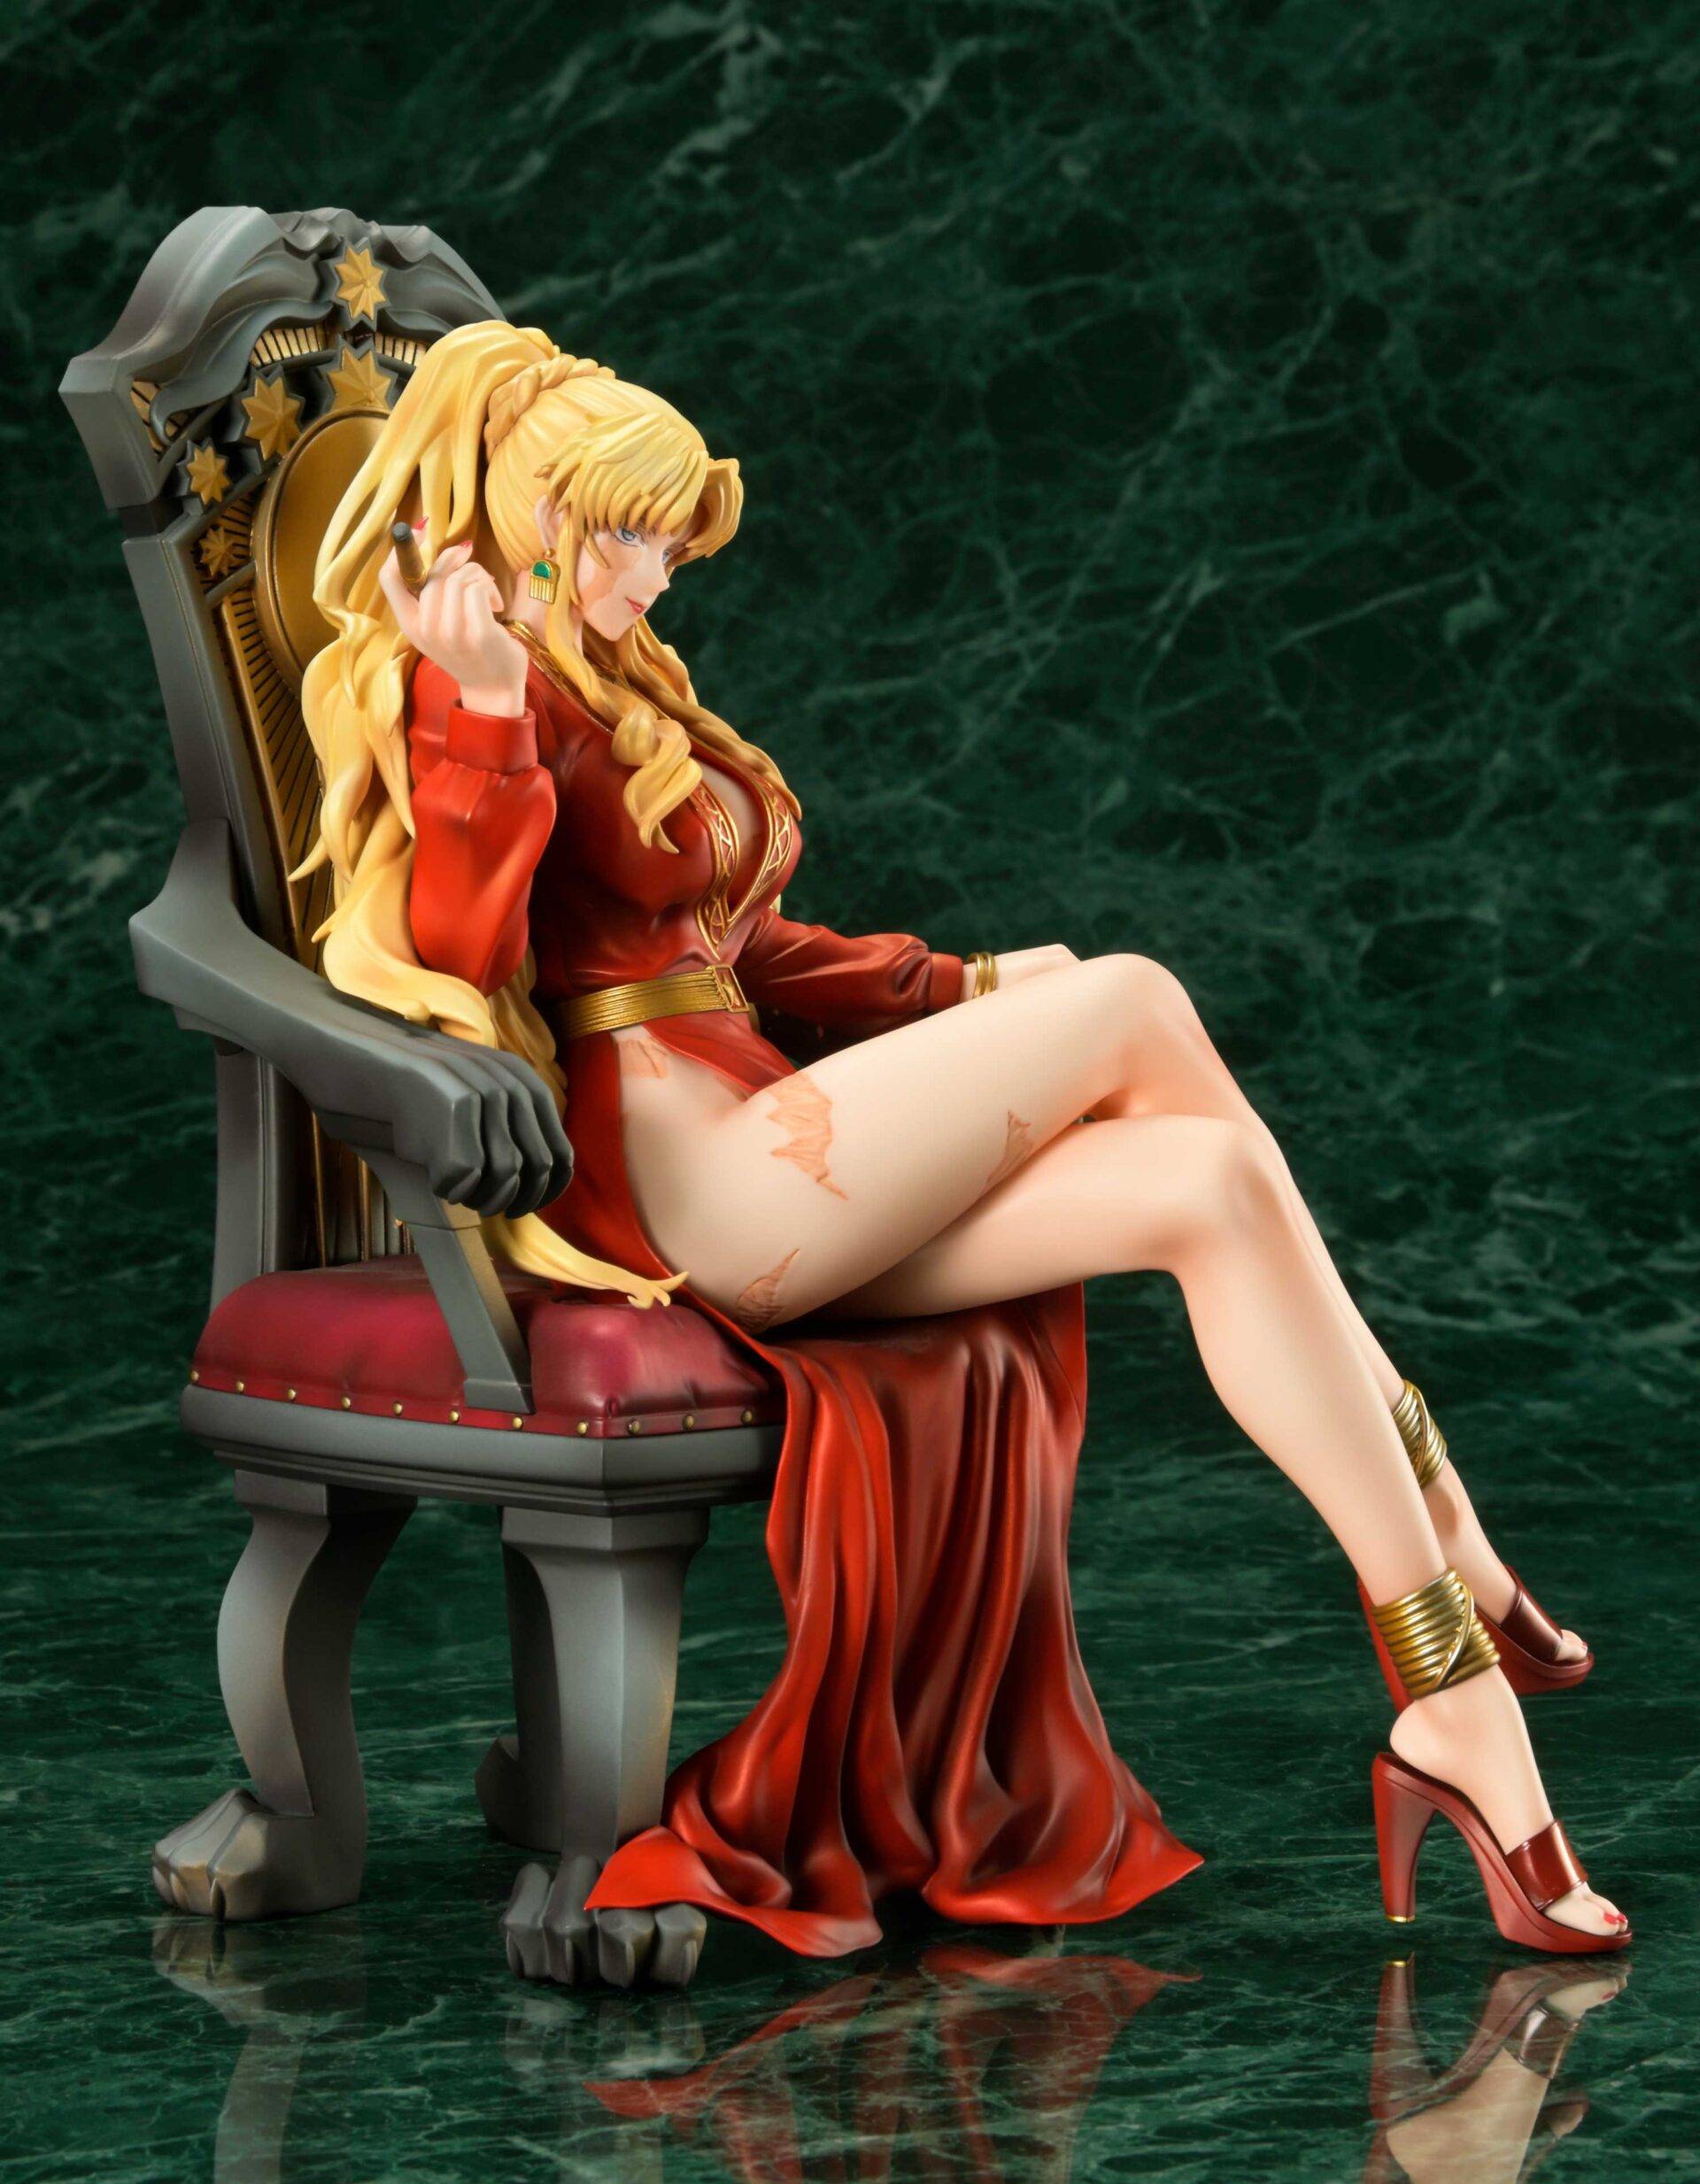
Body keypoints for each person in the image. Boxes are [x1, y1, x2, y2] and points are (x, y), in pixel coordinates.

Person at [301, 321, 1627, 1985]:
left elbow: (740, 949)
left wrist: (967, 986)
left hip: (779, 1137)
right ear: (537, 514)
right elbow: (458, 954)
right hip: (700, 1187)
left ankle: (1454, 1699)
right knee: (1136, 996)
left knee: (1208, 1188)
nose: (658, 572)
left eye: (671, 540)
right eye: (631, 534)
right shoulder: (468, 684)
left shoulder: (623, 684)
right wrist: (488, 719)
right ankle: (1445, 1511)